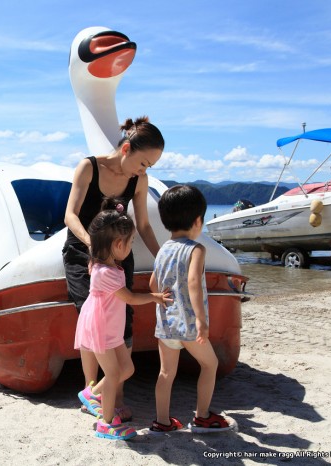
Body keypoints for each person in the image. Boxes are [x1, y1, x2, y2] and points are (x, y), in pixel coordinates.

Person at [64, 116, 164, 421]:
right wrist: (93, 247)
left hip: (118, 258)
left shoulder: (139, 180)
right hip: (83, 252)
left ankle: (115, 393)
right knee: (92, 317)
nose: (144, 171)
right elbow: (70, 215)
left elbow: (144, 225)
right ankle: (91, 392)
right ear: (126, 149)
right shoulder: (89, 167)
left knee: (122, 319)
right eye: (143, 163)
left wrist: (162, 258)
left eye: (150, 166)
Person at [74, 200, 172, 440]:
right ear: (118, 245)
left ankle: (92, 394)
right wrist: (154, 297)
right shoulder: (107, 273)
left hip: (111, 328)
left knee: (126, 369)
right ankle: (106, 423)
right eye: (131, 242)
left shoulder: (103, 265)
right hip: (102, 328)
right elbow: (129, 298)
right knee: (113, 374)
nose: (131, 246)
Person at [149, 184, 234, 433]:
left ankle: (162, 421)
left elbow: (153, 284)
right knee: (209, 365)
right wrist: (201, 319)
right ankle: (202, 416)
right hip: (187, 325)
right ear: (198, 221)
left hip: (166, 324)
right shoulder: (196, 249)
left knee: (166, 373)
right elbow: (194, 281)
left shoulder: (163, 249)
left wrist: (163, 300)